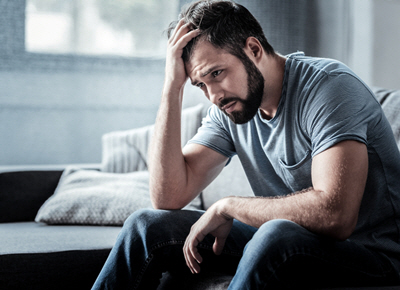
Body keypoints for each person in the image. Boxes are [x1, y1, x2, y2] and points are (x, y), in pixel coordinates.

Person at [92, 0, 400, 289]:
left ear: (253, 48)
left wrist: (230, 206)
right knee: (146, 226)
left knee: (275, 234)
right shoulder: (229, 109)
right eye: (201, 84)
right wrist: (171, 88)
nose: (214, 96)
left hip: (374, 254)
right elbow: (168, 195)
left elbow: (336, 216)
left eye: (217, 73)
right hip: (286, 240)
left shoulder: (329, 88)